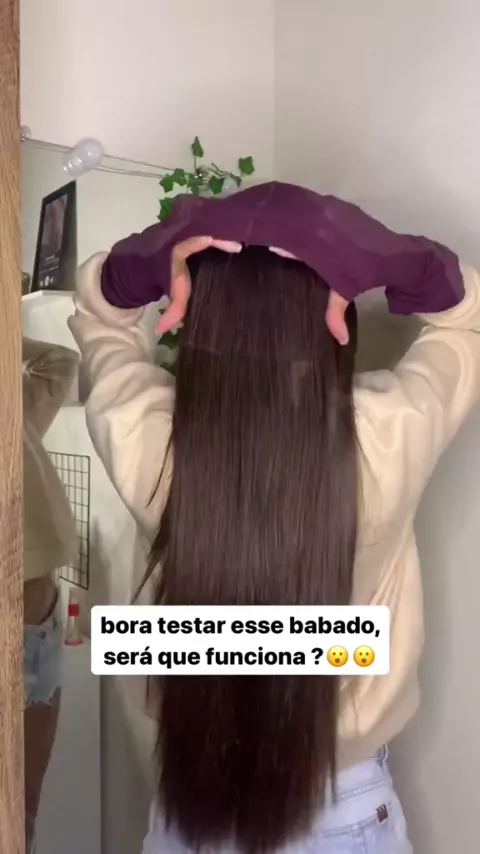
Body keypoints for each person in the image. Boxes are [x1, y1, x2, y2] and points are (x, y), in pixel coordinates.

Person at [69, 182, 480, 854]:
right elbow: (464, 318)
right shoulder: (388, 434)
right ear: (337, 315)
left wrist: (156, 254)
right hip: (344, 813)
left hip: (189, 811)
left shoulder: (151, 441)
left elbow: (100, 314)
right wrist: (390, 256)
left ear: (193, 315)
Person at [23, 337, 79, 853]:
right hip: (28, 626)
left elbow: (59, 362)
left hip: (36, 623)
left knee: (24, 811)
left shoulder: (11, 405)